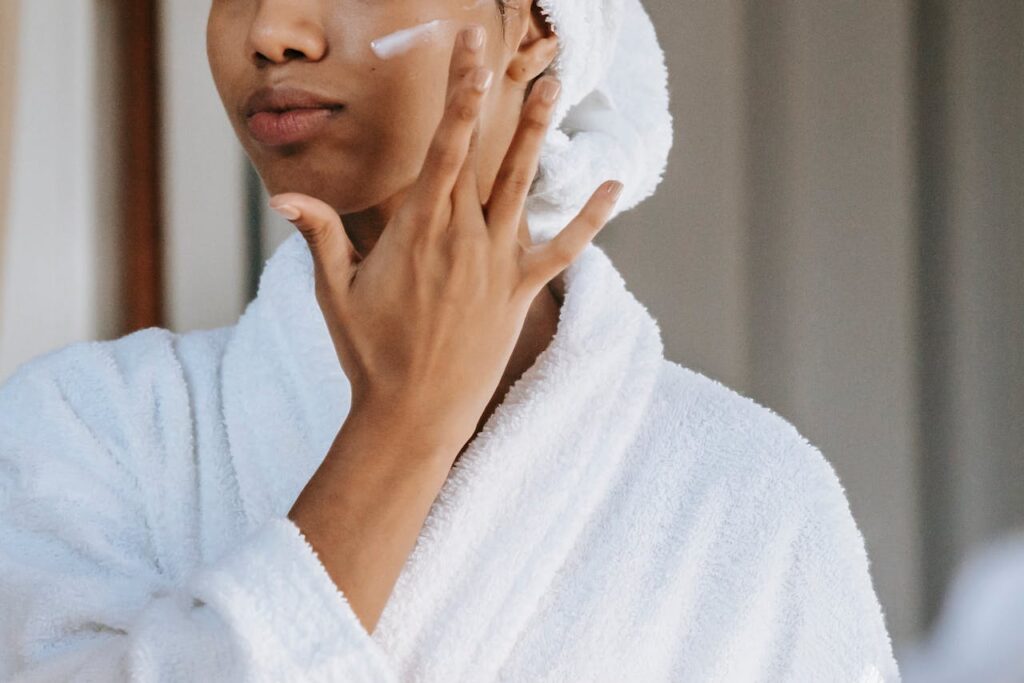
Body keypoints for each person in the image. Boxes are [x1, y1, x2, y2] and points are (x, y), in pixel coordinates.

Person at [0, 0, 900, 680]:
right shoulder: (84, 431)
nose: (271, 29)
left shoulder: (746, 500)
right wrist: (402, 428)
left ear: (539, 27)